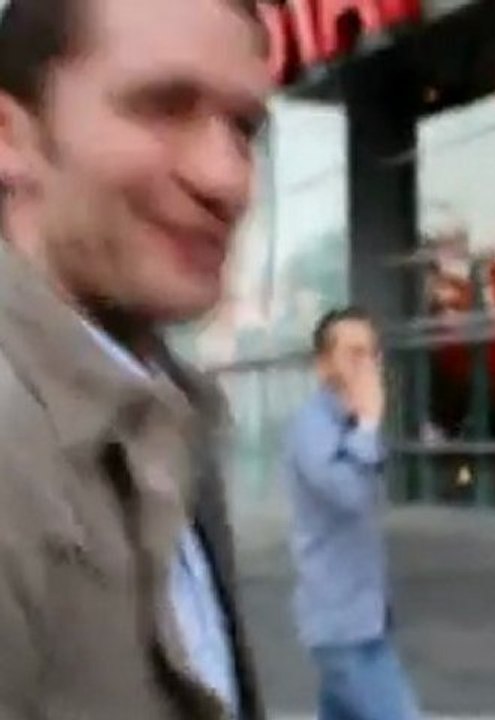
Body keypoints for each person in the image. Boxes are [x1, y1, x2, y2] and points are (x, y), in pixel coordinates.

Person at [0, 0, 270, 717]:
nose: (227, 179)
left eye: (244, 129)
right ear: (10, 137)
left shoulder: (165, 414)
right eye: (163, 106)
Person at [284, 306, 421, 720]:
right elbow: (348, 495)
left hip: (362, 620)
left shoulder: (348, 425)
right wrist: (368, 425)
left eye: (372, 354)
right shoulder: (311, 427)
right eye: (354, 354)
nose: (367, 366)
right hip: (342, 628)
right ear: (323, 364)